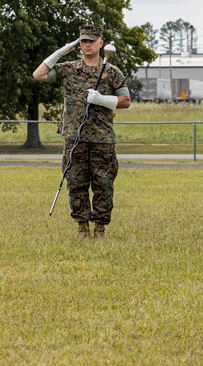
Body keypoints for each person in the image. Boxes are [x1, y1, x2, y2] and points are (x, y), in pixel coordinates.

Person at [32, 24, 131, 238]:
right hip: (74, 137)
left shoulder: (111, 72)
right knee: (76, 183)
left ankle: (100, 229)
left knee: (103, 183)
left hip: (101, 138)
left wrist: (102, 100)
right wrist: (62, 51)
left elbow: (126, 101)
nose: (87, 45)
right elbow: (38, 74)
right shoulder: (68, 68)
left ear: (100, 44)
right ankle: (82, 228)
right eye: (83, 41)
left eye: (91, 41)